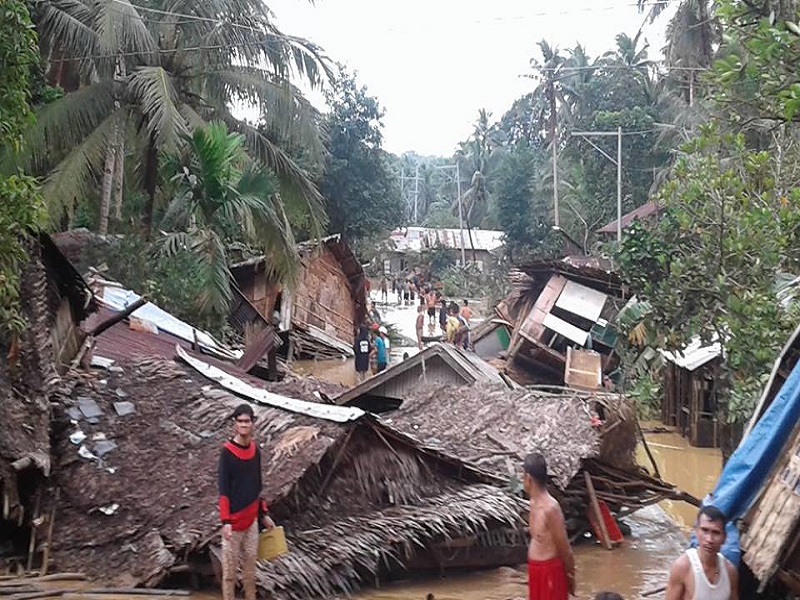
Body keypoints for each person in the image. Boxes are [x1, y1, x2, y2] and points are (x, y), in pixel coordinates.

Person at [218, 404, 275, 600]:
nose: (243, 425)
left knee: (250, 572)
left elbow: (257, 484)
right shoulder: (227, 452)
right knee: (230, 574)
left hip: (251, 520)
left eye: (247, 421)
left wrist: (264, 515)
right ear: (235, 424)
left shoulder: (255, 450)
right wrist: (225, 521)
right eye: (240, 421)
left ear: (252, 424)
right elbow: (223, 489)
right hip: (233, 523)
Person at [523, 452, 575, 600]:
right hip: (536, 570)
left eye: (523, 476)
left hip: (550, 571)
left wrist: (570, 576)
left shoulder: (551, 508)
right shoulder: (533, 504)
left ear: (528, 479)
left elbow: (564, 548)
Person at [666, 506, 738, 600]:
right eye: (705, 530)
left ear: (724, 538)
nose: (709, 539)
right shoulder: (683, 567)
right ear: (696, 531)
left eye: (716, 533)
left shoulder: (730, 572)